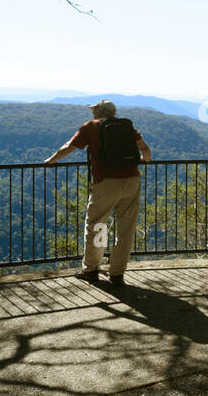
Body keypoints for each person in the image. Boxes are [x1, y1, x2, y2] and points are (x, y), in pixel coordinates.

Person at [44, 99, 151, 286]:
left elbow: (69, 147)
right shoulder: (126, 126)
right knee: (126, 230)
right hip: (133, 180)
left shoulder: (91, 126)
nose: (92, 112)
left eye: (94, 109)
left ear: (101, 111)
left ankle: (92, 269)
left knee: (97, 225)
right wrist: (144, 161)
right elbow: (145, 150)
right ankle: (117, 274)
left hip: (107, 182)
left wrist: (51, 160)